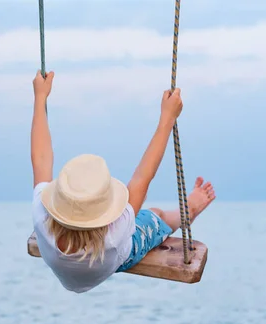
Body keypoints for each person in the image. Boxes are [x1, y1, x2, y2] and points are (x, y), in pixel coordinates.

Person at [30, 70, 216, 293]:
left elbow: (41, 159)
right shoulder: (116, 232)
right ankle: (187, 212)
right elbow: (142, 178)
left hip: (68, 266)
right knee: (155, 215)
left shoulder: (42, 217)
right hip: (118, 258)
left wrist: (40, 97)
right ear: (107, 210)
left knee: (139, 203)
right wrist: (167, 119)